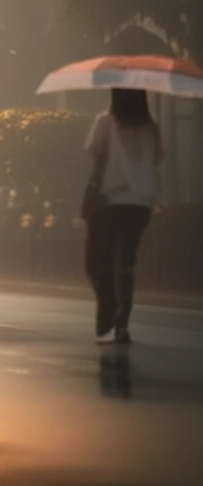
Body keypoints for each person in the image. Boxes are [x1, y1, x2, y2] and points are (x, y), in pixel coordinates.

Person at [84, 88, 163, 344]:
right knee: (126, 261)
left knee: (97, 260)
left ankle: (109, 305)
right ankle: (122, 320)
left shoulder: (105, 121)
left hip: (110, 200)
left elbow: (93, 151)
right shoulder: (151, 127)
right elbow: (158, 158)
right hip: (141, 203)